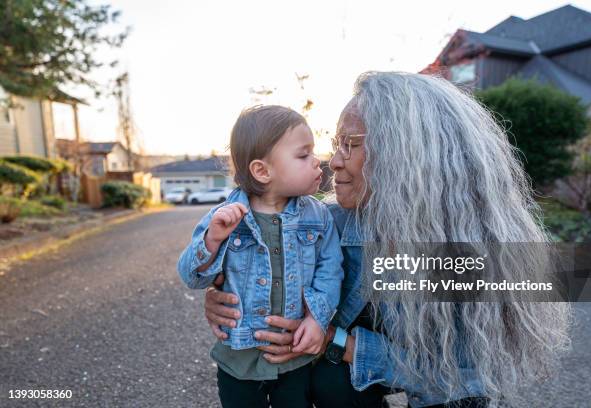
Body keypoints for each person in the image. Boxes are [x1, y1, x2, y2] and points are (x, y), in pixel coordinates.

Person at [204, 72, 571, 407]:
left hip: (448, 389)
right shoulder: (326, 225)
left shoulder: (468, 249)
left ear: (405, 156)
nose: (334, 161)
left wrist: (340, 342)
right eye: (337, 143)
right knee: (329, 379)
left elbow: (456, 377)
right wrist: (229, 297)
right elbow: (249, 256)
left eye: (351, 144)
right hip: (375, 361)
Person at [177, 105, 343, 408]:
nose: (318, 162)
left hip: (294, 358)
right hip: (238, 358)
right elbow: (192, 276)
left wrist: (318, 320)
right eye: (303, 155)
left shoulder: (318, 217)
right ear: (262, 171)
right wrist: (212, 240)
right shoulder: (224, 218)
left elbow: (330, 271)